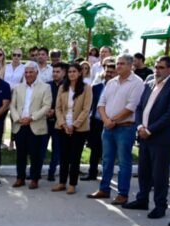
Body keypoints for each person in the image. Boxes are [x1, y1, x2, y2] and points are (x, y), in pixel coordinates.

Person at [123, 56, 170, 218]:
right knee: (144, 171)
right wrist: (139, 127)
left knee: (159, 175)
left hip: (160, 139)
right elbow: (139, 107)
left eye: (161, 67)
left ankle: (160, 206)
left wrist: (150, 130)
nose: (157, 70)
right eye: (156, 67)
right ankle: (142, 200)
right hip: (143, 135)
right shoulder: (149, 82)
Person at [87, 54, 144, 205]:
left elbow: (131, 107)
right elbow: (101, 103)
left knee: (124, 162)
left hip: (125, 128)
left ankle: (123, 194)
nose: (118, 66)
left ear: (131, 65)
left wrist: (113, 120)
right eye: (117, 63)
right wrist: (106, 120)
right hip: (108, 127)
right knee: (107, 160)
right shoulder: (111, 82)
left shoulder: (137, 83)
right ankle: (104, 189)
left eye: (122, 64)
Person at [9, 62, 51, 188]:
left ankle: (34, 179)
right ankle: (20, 178)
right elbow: (12, 105)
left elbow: (46, 106)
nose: (28, 75)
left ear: (37, 73)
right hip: (20, 125)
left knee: (35, 155)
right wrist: (17, 118)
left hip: (36, 125)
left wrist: (31, 118)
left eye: (31, 72)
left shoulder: (45, 87)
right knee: (20, 154)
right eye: (26, 72)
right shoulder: (17, 88)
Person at [53, 62, 92, 194]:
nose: (71, 74)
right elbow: (57, 108)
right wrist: (63, 124)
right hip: (63, 127)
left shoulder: (87, 88)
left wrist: (74, 125)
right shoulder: (62, 88)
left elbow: (86, 109)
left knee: (75, 157)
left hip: (79, 128)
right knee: (63, 156)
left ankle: (72, 184)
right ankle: (62, 182)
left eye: (74, 71)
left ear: (80, 73)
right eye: (69, 72)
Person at [81, 59, 116, 181]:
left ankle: (107, 176)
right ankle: (92, 173)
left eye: (112, 72)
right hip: (96, 122)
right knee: (94, 150)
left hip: (111, 123)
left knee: (108, 152)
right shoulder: (96, 87)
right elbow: (90, 105)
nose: (109, 74)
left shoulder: (118, 88)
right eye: (108, 71)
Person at [44, 62, 68, 182]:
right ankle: (36, 171)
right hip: (46, 120)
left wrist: (55, 112)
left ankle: (51, 172)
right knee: (41, 147)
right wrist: (47, 111)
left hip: (59, 122)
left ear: (64, 73)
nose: (55, 74)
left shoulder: (67, 87)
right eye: (53, 71)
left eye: (58, 72)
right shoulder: (47, 85)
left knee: (56, 148)